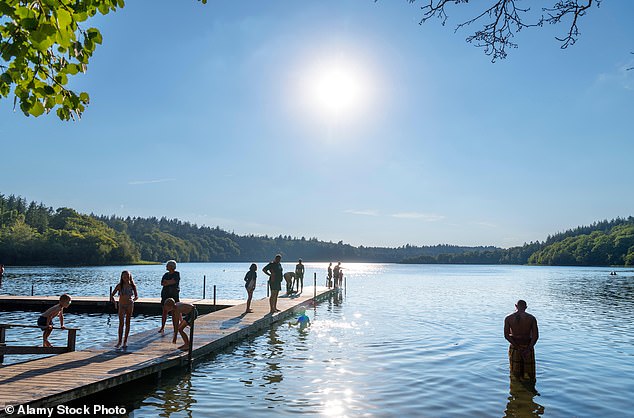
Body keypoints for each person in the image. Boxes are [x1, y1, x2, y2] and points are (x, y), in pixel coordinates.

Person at [504, 300, 539, 381]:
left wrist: (518, 347)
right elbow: (535, 336)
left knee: (515, 371)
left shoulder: (508, 318)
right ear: (526, 307)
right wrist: (528, 349)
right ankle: (530, 387)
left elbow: (506, 336)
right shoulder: (531, 318)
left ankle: (517, 387)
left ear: (515, 306)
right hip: (528, 347)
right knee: (530, 373)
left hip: (515, 347)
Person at [110, 270, 138, 348]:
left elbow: (136, 296)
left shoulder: (132, 285)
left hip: (129, 304)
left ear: (130, 277)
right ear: (122, 277)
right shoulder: (119, 285)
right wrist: (115, 302)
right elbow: (112, 295)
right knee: (121, 323)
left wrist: (133, 300)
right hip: (121, 305)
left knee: (128, 322)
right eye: (124, 277)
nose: (126, 278)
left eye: (127, 276)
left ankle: (125, 341)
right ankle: (119, 341)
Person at [159, 260, 180, 334]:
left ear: (171, 267)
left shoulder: (176, 274)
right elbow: (162, 283)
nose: (166, 267)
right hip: (165, 295)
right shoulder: (165, 274)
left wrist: (167, 282)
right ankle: (162, 327)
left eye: (167, 265)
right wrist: (169, 282)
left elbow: (174, 281)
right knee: (164, 311)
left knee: (175, 311)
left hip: (173, 295)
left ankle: (176, 327)